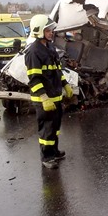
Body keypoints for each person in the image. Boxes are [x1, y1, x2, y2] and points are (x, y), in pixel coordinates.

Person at [24, 15, 74, 169]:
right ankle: (47, 157)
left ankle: (54, 151)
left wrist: (65, 84)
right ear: (39, 31)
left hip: (56, 95)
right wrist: (44, 97)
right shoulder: (33, 52)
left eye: (51, 29)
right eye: (48, 30)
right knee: (47, 128)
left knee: (55, 126)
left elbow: (57, 70)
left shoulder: (50, 47)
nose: (51, 32)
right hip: (43, 99)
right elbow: (34, 79)